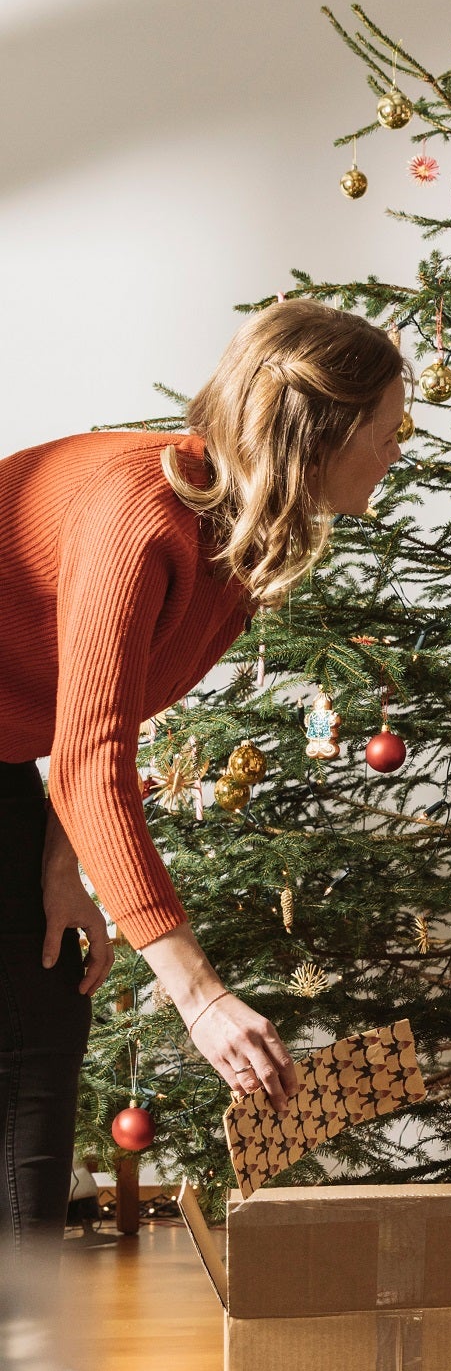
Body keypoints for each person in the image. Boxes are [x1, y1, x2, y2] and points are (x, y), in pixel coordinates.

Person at [0, 300, 408, 1246]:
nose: (395, 450)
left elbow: (105, 710)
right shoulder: (138, 512)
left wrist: (65, 867)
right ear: (323, 432)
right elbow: (95, 756)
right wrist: (203, 997)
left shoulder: (238, 540)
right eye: (386, 432)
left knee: (45, 1004)